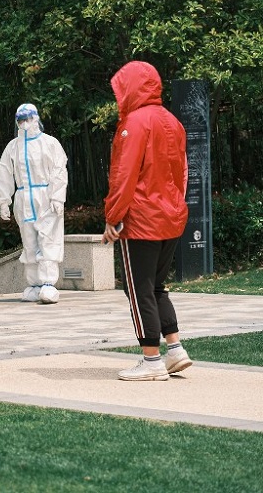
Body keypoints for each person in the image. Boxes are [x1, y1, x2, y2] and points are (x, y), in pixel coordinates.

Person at [102, 61, 192, 381]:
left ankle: (151, 361)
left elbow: (124, 175)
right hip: (171, 216)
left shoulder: (134, 123)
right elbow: (182, 174)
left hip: (141, 219)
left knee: (138, 289)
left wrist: (113, 217)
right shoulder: (172, 121)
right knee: (156, 287)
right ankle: (175, 349)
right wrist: (175, 208)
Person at [0, 103, 69, 304]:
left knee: (48, 238)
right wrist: (3, 201)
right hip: (23, 197)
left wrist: (57, 197)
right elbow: (3, 173)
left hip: (46, 196)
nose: (24, 124)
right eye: (20, 120)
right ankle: (34, 284)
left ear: (36, 119)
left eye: (27, 119)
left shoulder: (50, 143)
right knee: (29, 241)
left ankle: (48, 283)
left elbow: (59, 171)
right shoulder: (13, 146)